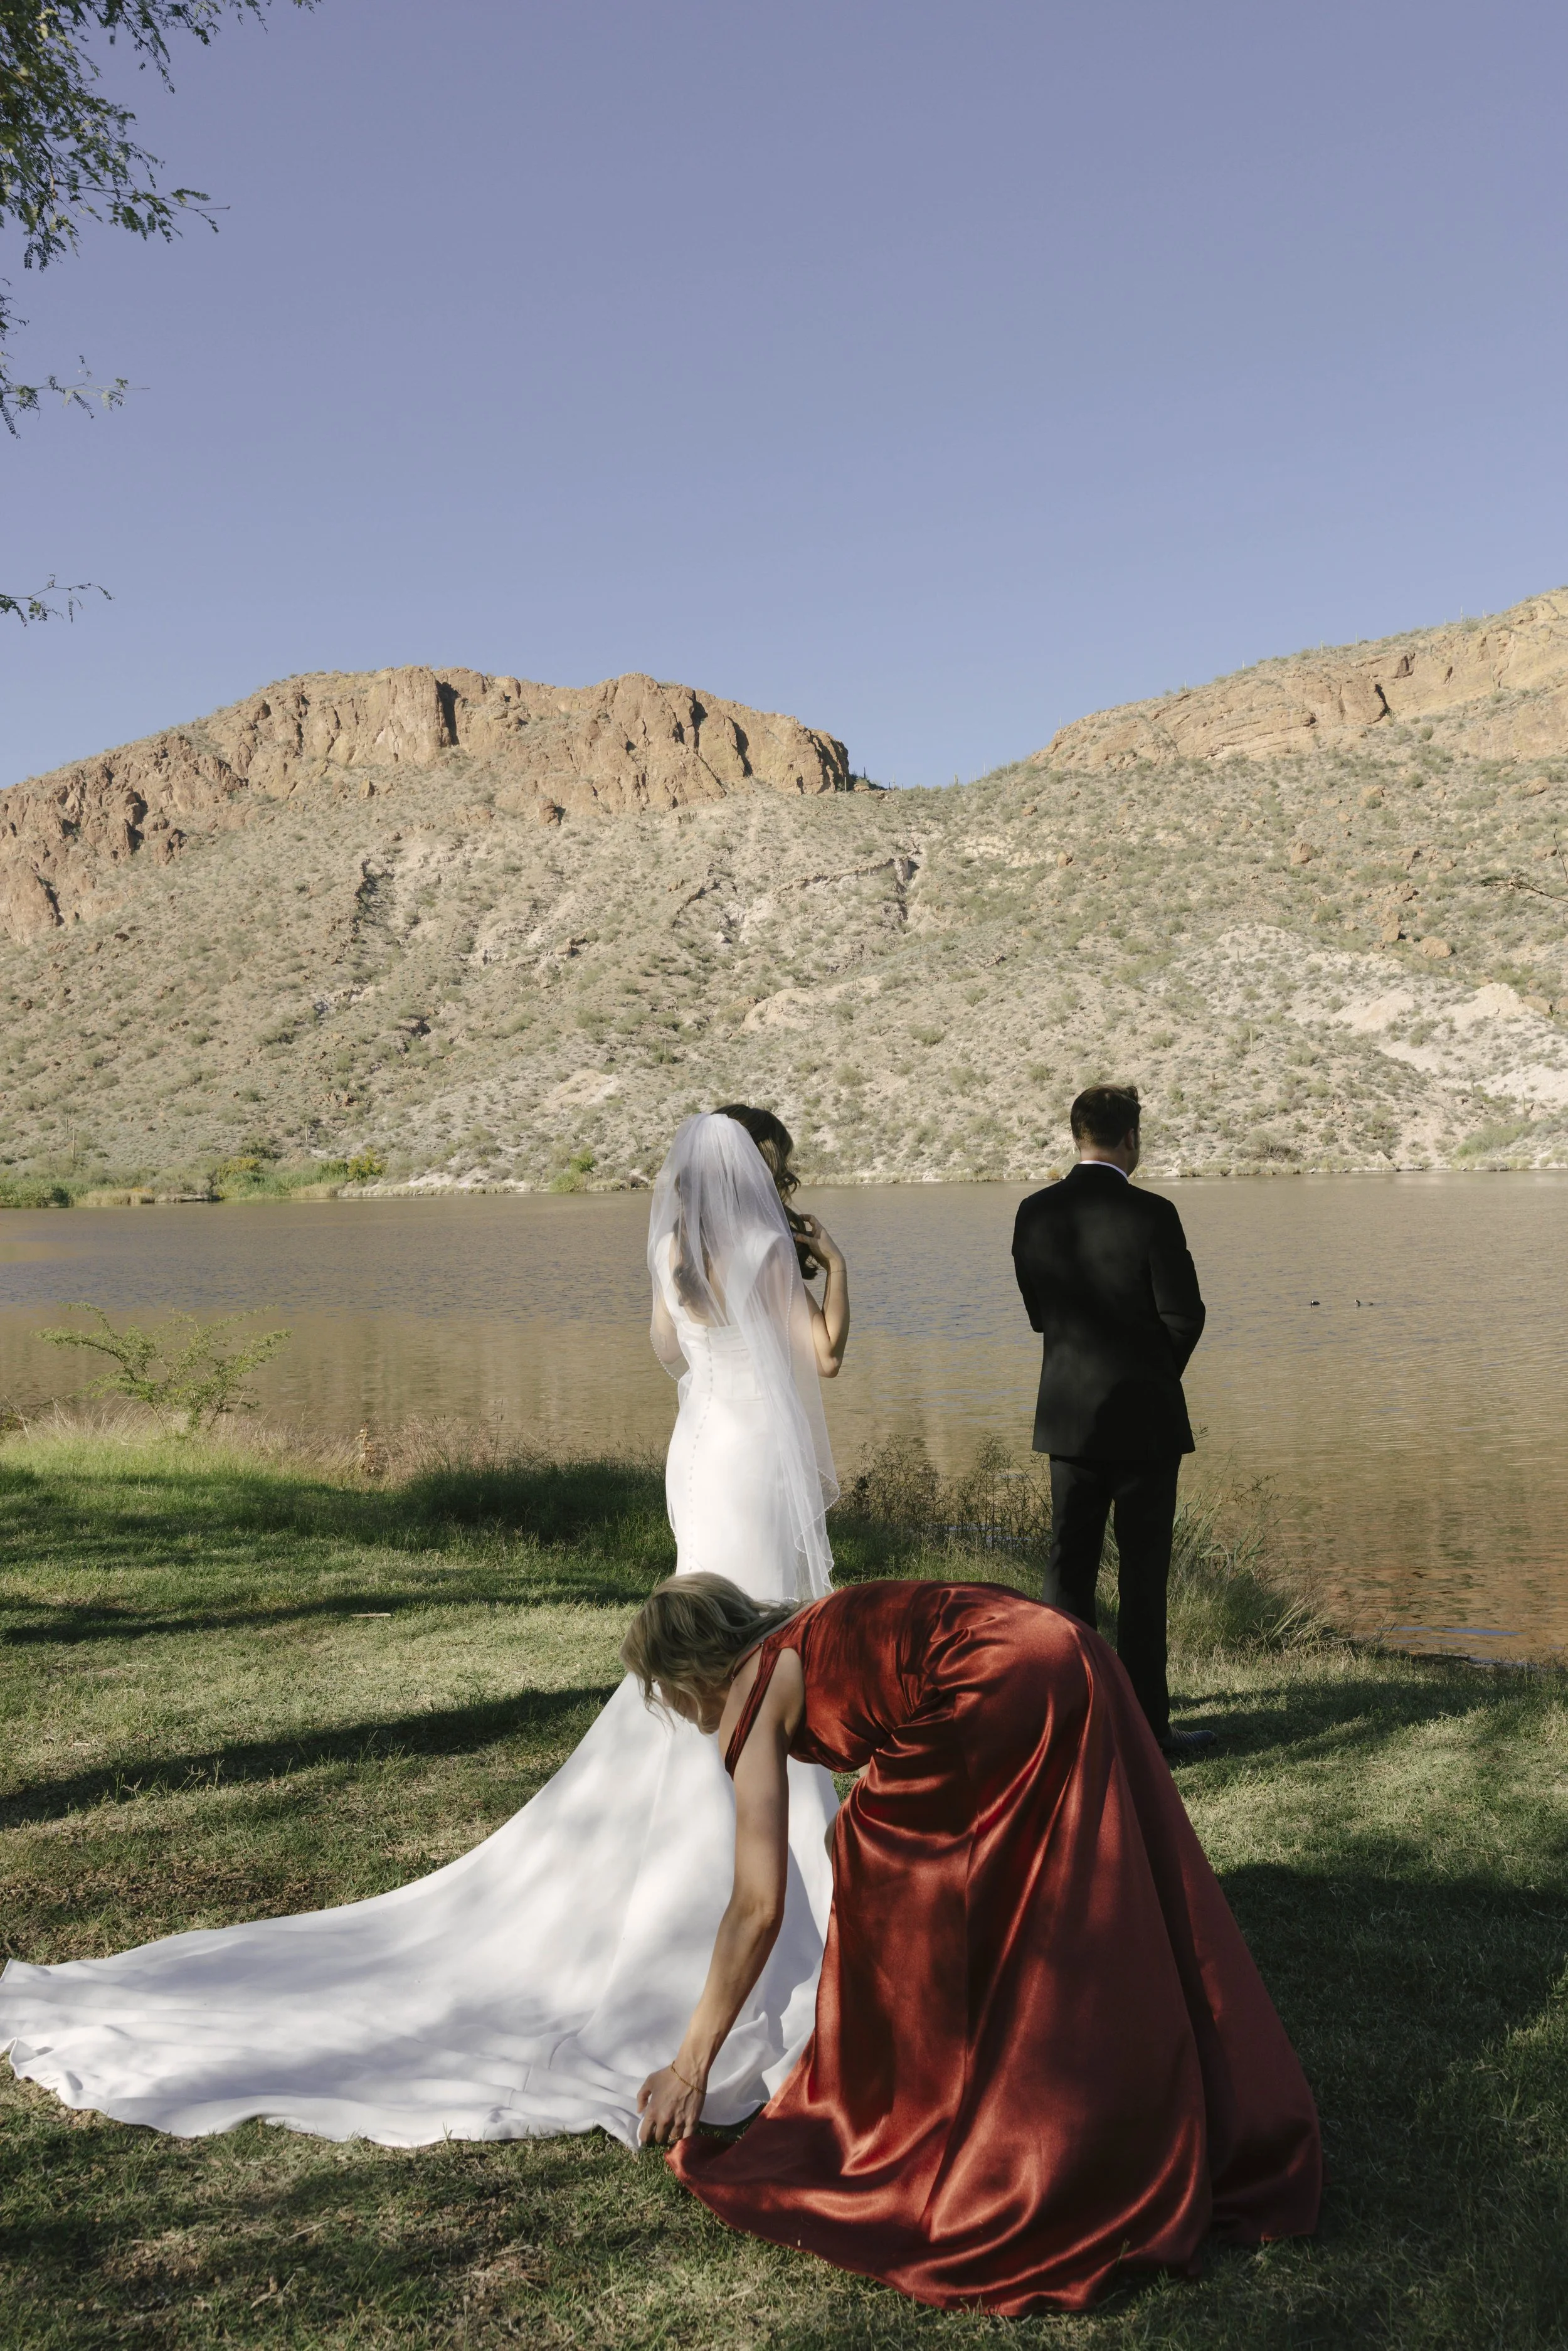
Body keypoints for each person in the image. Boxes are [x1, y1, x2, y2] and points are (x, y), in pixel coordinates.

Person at [0, 1108, 850, 2152]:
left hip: (701, 1450)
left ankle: (702, 1835)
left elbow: (670, 1349)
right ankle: (760, 1867)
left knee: (704, 1643)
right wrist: (836, 1269)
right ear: (761, 1177)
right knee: (757, 1647)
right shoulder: (767, 1249)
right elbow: (825, 1356)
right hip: (751, 1457)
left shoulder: (676, 1250)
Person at [625, 1571, 1322, 2317]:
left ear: (684, 1673)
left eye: (662, 1692)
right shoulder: (812, 1627)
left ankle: (948, 2118)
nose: (676, 1710)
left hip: (999, 1675)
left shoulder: (752, 1688)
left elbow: (757, 1905)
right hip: (1070, 1645)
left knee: (875, 1861)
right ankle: (1112, 2098)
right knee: (1043, 1884)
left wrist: (689, 2065)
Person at [1012, 1083, 1210, 1757]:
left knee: (1068, 1568)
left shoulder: (1034, 1212)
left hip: (1068, 1418)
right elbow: (1184, 1315)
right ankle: (1148, 1729)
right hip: (1145, 1423)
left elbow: (1039, 1313)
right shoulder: (1153, 1213)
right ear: (1130, 1138)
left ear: (1078, 1136)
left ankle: (1069, 1720)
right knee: (1142, 1576)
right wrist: (1149, 1378)